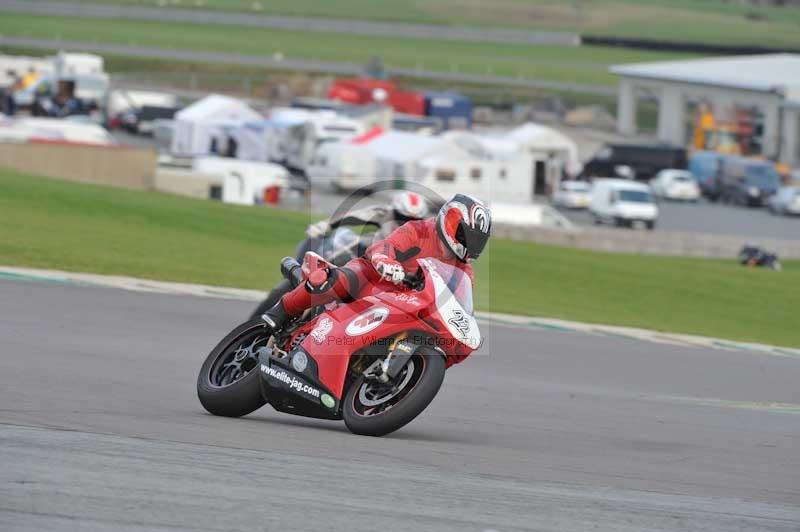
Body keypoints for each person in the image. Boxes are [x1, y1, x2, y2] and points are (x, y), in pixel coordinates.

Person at [261, 193, 492, 364]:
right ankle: (280, 311)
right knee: (334, 280)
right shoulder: (419, 230)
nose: (469, 243)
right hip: (374, 278)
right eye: (465, 234)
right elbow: (386, 246)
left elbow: (459, 304)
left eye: (476, 240)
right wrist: (386, 262)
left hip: (405, 303)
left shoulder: (463, 271)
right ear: (450, 222)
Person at [304, 190, 430, 242]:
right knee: (347, 242)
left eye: (415, 220)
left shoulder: (430, 231)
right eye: (403, 217)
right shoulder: (383, 213)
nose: (408, 222)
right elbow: (355, 216)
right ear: (394, 211)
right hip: (373, 254)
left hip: (405, 271)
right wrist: (327, 225)